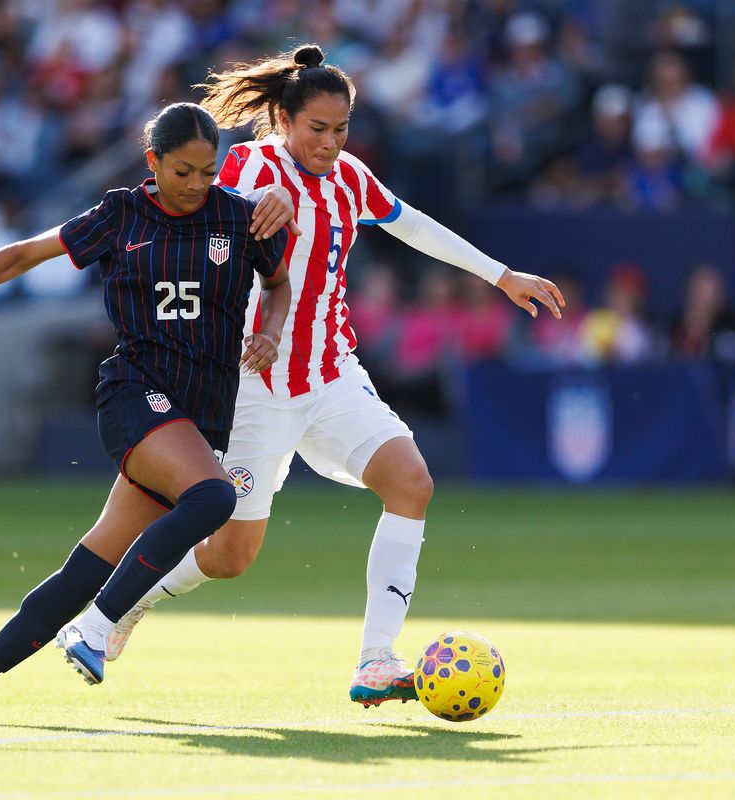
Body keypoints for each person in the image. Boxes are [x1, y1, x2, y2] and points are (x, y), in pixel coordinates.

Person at [105, 44, 564, 708]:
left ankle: (377, 660)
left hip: (330, 376)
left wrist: (501, 275)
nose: (328, 142)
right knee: (232, 556)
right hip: (255, 389)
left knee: (412, 482)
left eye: (340, 128)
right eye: (316, 129)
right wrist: (250, 205)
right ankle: (129, 598)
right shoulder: (245, 164)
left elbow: (415, 227)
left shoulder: (351, 178)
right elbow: (202, 208)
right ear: (284, 121)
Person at [0, 102, 293, 721]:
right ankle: (99, 627)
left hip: (201, 415)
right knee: (215, 499)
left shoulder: (241, 218)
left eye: (208, 172)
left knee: (83, 572)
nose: (198, 185)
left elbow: (279, 283)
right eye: (184, 171)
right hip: (135, 392)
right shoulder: (119, 214)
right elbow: (23, 254)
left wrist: (272, 331)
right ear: (152, 162)